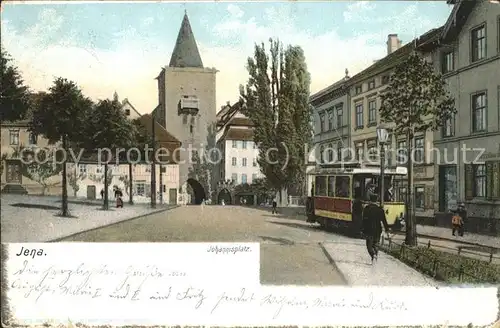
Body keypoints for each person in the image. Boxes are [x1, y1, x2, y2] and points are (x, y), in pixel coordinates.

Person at [362, 194, 390, 264]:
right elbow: (384, 220)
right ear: (376, 200)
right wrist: (387, 230)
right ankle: (374, 259)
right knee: (376, 244)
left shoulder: (367, 208)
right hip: (378, 230)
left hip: (368, 230)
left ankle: (373, 255)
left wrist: (362, 229)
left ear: (370, 200)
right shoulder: (380, 209)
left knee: (369, 246)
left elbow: (363, 220)